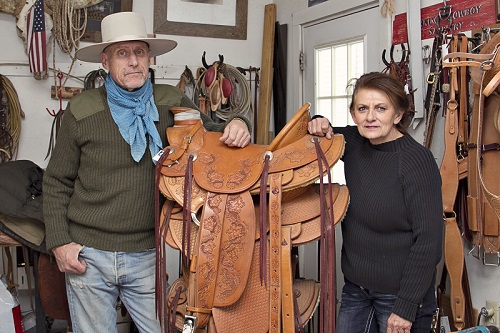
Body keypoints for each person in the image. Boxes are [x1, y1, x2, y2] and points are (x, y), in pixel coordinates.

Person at [43, 12, 251, 333]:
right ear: (105, 60)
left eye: (139, 52)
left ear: (150, 57)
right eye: (122, 53)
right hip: (89, 253)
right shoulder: (82, 111)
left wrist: (238, 124)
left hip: (146, 253)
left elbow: (212, 134)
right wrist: (59, 242)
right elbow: (56, 182)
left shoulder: (169, 101)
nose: (133, 62)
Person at [308, 72, 443, 333]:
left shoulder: (416, 161)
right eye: (362, 108)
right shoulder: (355, 142)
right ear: (353, 113)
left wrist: (405, 307)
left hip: (400, 296)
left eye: (381, 108)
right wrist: (316, 121)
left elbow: (429, 242)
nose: (370, 116)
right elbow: (318, 131)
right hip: (356, 290)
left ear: (398, 114)